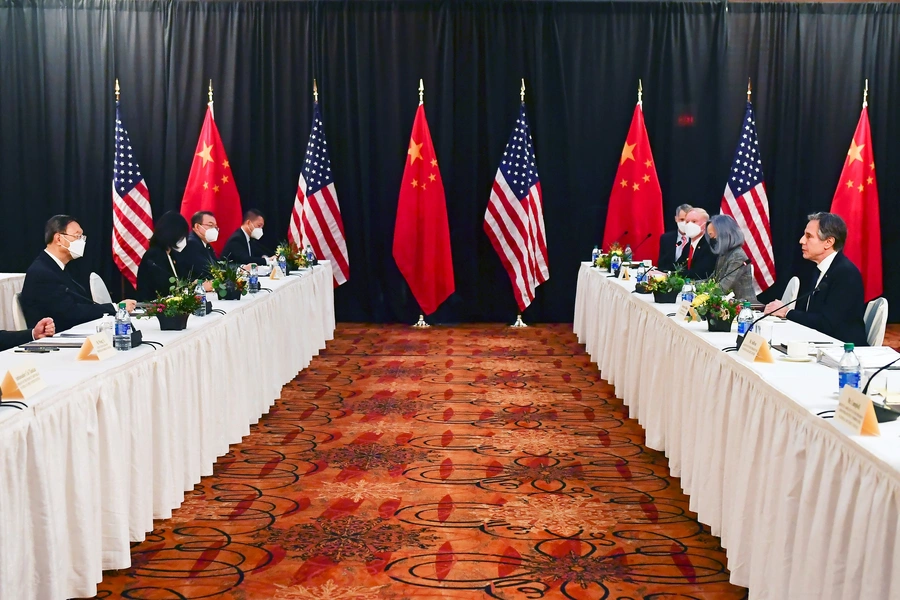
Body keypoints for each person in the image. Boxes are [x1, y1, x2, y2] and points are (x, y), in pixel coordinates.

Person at [19, 215, 136, 332]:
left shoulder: (56, 267)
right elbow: (71, 312)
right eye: (78, 236)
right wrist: (115, 307)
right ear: (59, 239)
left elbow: (79, 305)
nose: (82, 241)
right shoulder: (42, 272)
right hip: (53, 339)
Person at [764, 212, 867, 345]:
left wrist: (787, 312)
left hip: (843, 351)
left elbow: (827, 324)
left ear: (828, 242)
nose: (801, 240)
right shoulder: (820, 269)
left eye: (809, 236)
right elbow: (810, 314)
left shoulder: (845, 274)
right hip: (820, 343)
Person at [136, 211, 190, 301]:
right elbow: (163, 286)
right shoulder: (155, 254)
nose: (184, 239)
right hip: (153, 307)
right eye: (182, 235)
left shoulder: (172, 254)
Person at [705, 215, 756, 302]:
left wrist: (702, 290)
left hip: (744, 307)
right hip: (727, 304)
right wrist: (689, 284)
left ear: (724, 234)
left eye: (713, 236)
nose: (713, 240)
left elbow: (723, 288)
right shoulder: (724, 254)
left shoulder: (738, 256)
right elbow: (712, 280)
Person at [173, 211, 219, 280]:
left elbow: (218, 264)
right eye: (210, 225)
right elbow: (205, 271)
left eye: (215, 227)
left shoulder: (206, 244)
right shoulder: (191, 244)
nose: (214, 229)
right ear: (197, 226)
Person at [680, 208, 716, 280]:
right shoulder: (688, 246)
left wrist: (671, 274)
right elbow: (679, 266)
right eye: (687, 222)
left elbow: (700, 273)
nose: (689, 225)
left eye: (694, 221)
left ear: (705, 225)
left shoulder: (710, 245)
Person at [657, 204, 693, 272]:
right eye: (682, 219)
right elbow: (662, 264)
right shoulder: (666, 239)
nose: (685, 223)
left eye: (688, 221)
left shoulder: (696, 239)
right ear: (676, 219)